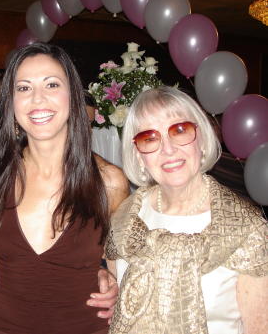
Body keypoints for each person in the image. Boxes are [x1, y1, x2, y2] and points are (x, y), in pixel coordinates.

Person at [0, 43, 129, 334]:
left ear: (73, 96)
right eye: (23, 88)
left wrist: (114, 286)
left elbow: (123, 274)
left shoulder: (109, 181)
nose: (38, 98)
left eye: (51, 84)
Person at [106, 86, 268, 334]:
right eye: (149, 138)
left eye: (179, 131)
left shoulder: (247, 228)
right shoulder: (123, 221)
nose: (167, 149)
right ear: (139, 155)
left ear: (201, 138)